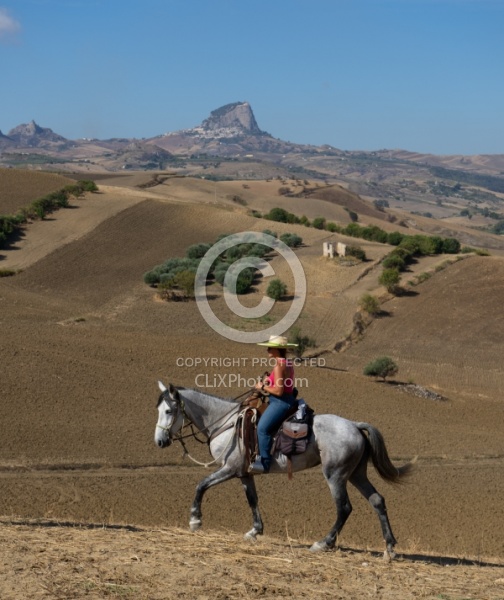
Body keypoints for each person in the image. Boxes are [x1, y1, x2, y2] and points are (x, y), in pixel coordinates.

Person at [249, 335, 298, 474]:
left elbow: (279, 390)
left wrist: (261, 387)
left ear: (277, 349)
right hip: (285, 400)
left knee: (262, 429)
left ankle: (265, 463)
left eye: (270, 347)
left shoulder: (279, 366)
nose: (268, 350)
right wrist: (268, 382)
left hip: (280, 402)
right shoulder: (287, 363)